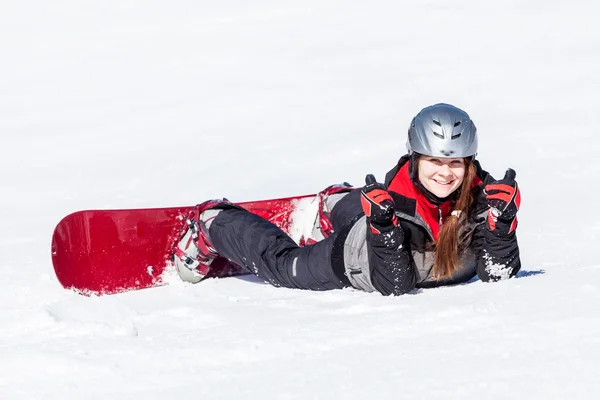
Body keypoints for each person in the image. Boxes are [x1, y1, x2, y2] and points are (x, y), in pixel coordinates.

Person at [171, 103, 521, 296]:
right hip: (355, 260)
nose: (445, 173)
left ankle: (338, 201)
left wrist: (501, 226)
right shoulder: (396, 206)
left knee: (365, 212)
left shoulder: (484, 201)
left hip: (375, 222)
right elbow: (395, 286)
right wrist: (383, 231)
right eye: (434, 161)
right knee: (284, 267)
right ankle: (214, 222)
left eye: (454, 163)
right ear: (414, 158)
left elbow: (496, 275)